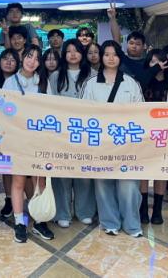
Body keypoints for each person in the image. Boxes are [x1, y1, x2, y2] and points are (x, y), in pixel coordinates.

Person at [81, 40, 145, 237]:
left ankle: (132, 224)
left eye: (114, 54)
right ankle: (109, 222)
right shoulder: (91, 84)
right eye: (106, 54)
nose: (110, 58)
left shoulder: (130, 83)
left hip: (126, 143)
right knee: (103, 184)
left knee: (129, 185)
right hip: (100, 143)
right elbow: (83, 113)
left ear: (120, 57)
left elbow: (141, 111)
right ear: (101, 57)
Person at [2, 45, 54, 243]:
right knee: (19, 181)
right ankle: (19, 223)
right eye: (29, 56)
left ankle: (39, 221)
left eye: (37, 59)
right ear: (22, 57)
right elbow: (2, 109)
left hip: (39, 140)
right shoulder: (10, 82)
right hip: (17, 139)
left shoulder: (44, 82)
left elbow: (51, 110)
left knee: (39, 181)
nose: (32, 61)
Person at [48, 39, 94, 228]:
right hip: (62, 133)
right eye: (69, 51)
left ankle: (85, 211)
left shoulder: (92, 75)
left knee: (85, 173)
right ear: (64, 54)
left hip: (86, 132)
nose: (73, 54)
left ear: (82, 53)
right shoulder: (55, 76)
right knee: (62, 173)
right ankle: (63, 212)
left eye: (76, 51)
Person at [140, 49, 168, 225]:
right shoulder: (144, 80)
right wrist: (152, 71)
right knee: (144, 170)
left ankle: (158, 209)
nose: (157, 65)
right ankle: (143, 207)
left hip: (166, 132)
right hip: (145, 130)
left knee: (161, 170)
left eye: (160, 61)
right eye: (153, 62)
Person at [0, 48, 20, 218]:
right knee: (6, 166)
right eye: (5, 58)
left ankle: (25, 201)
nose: (8, 62)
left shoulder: (20, 81)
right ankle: (9, 198)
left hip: (18, 129)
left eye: (12, 59)